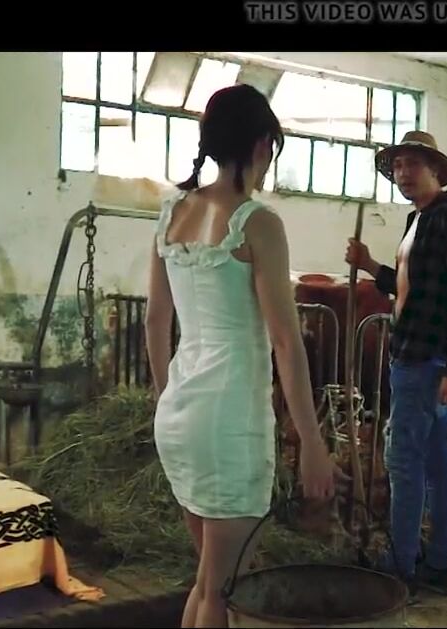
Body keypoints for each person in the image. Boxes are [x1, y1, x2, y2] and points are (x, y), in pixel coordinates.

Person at [145, 84, 340, 629]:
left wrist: (165, 399)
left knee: (210, 581)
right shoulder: (258, 222)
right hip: (230, 419)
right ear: (261, 145)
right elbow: (286, 342)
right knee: (222, 590)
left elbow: (156, 321)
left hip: (180, 413)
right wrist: (312, 442)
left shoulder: (170, 214)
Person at [344, 130, 447, 600]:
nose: (403, 173)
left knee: (403, 460)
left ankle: (400, 564)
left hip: (428, 361)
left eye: (412, 164)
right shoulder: (417, 220)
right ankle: (439, 565)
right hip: (415, 356)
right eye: (397, 166)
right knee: (436, 459)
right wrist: (370, 265)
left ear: (436, 170)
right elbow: (415, 289)